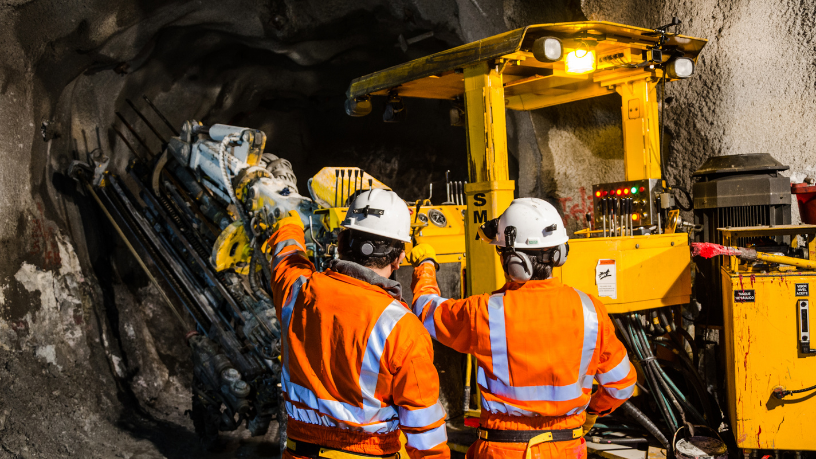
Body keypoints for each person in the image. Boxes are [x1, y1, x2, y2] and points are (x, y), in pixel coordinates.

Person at [407, 198, 636, 459]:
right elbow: (621, 385)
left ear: (512, 261)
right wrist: (592, 412)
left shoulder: (484, 311)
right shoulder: (590, 310)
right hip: (568, 449)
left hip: (503, 450)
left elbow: (427, 311)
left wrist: (425, 265)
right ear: (559, 253)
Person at [267, 188, 450, 459]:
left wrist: (290, 225)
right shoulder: (403, 328)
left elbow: (286, 257)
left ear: (341, 241)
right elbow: (426, 437)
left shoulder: (297, 291)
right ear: (399, 257)